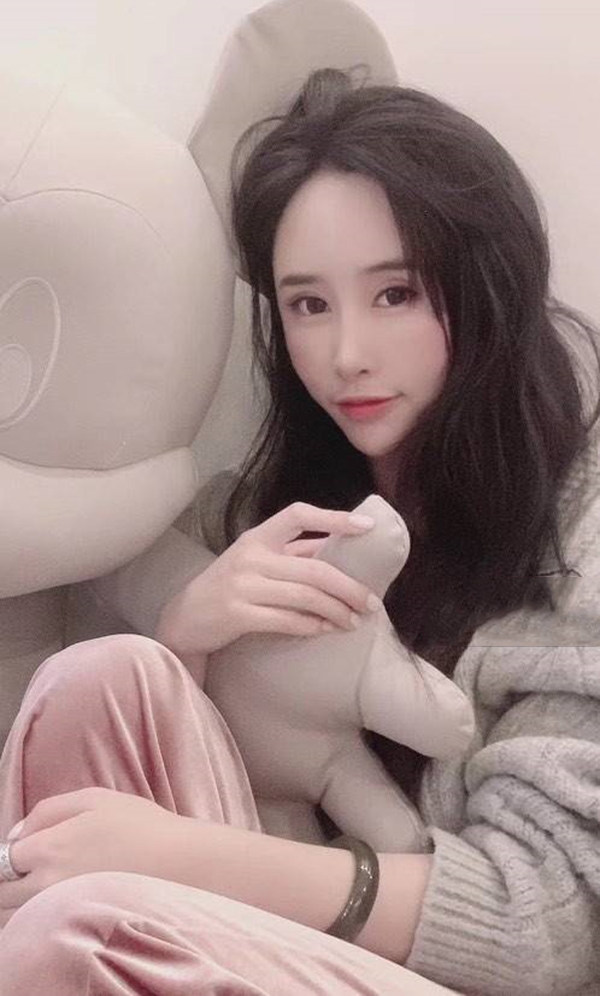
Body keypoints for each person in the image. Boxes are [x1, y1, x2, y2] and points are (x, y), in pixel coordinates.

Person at [0, 68, 599, 996]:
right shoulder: (254, 520)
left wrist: (179, 859)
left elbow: (547, 929)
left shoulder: (582, 528)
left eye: (396, 293)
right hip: (251, 952)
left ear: (488, 283)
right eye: (308, 304)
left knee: (80, 931)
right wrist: (189, 636)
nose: (346, 354)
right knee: (104, 678)